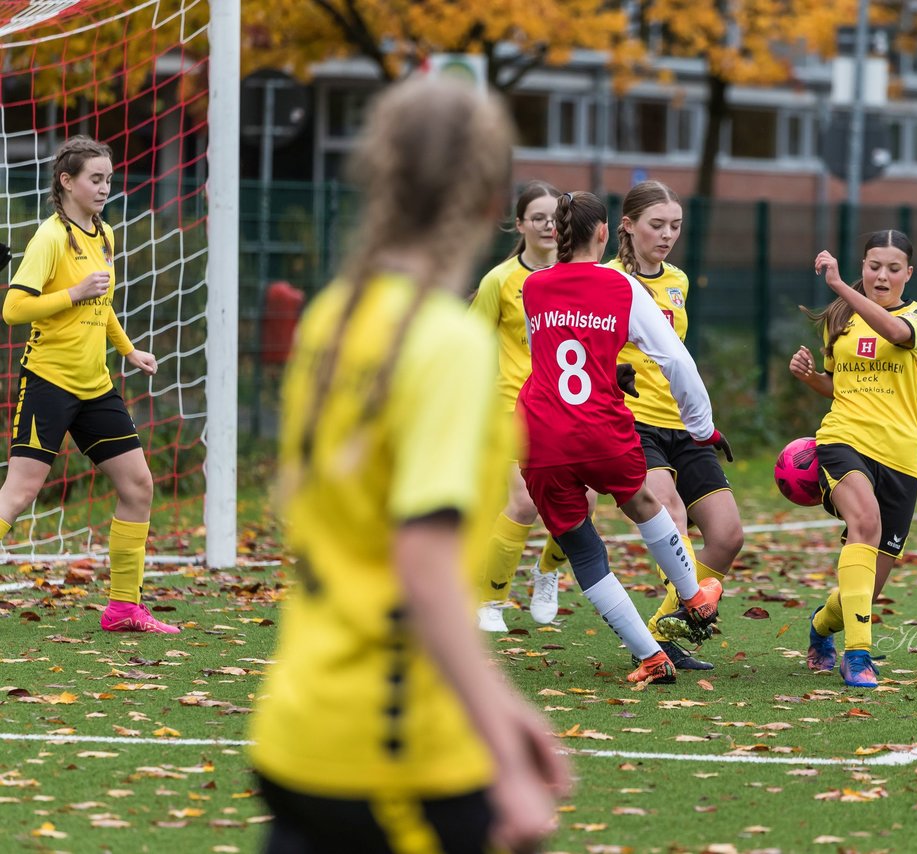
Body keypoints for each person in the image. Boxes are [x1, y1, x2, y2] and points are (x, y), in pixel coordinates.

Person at [249, 77, 570, 854]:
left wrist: (504, 709)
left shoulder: (336, 315)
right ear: (492, 192)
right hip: (398, 753)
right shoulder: (445, 344)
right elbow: (422, 567)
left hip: (298, 726)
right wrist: (502, 748)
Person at [519, 190, 732, 684]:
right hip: (602, 431)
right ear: (602, 234)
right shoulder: (622, 287)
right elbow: (676, 360)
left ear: (559, 234)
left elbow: (549, 358)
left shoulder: (534, 287)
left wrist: (604, 370)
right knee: (642, 503)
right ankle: (694, 596)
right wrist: (702, 426)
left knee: (583, 548)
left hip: (544, 435)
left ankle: (651, 657)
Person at [0, 135, 171, 634]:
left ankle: (123, 610)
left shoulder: (104, 234)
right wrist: (71, 292)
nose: (104, 188)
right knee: (20, 492)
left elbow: (102, 304)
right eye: (95, 179)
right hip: (48, 383)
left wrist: (127, 349)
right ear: (67, 181)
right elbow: (12, 309)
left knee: (139, 486)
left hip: (95, 386)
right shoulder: (49, 238)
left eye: (108, 180)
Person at [789, 231, 917, 688]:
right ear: (864, 266)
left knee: (868, 588)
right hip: (843, 439)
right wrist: (814, 379)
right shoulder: (840, 319)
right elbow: (841, 386)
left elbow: (895, 333)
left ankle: (822, 625)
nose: (882, 275)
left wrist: (839, 286)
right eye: (874, 265)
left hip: (901, 455)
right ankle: (858, 656)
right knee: (865, 524)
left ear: (908, 274)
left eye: (894, 268)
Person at [607, 180, 743, 671]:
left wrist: (703, 422)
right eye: (656, 225)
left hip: (683, 427)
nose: (667, 235)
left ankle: (664, 628)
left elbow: (678, 359)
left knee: (728, 535)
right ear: (627, 225)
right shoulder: (606, 279)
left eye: (675, 226)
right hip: (633, 421)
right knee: (671, 517)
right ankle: (668, 639)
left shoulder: (679, 281)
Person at [469, 180, 576, 633]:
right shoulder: (499, 280)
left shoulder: (578, 275)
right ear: (520, 224)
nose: (548, 225)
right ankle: (489, 600)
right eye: (538, 217)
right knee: (525, 500)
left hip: (569, 406)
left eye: (556, 217)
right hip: (513, 406)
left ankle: (547, 572)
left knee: (581, 502)